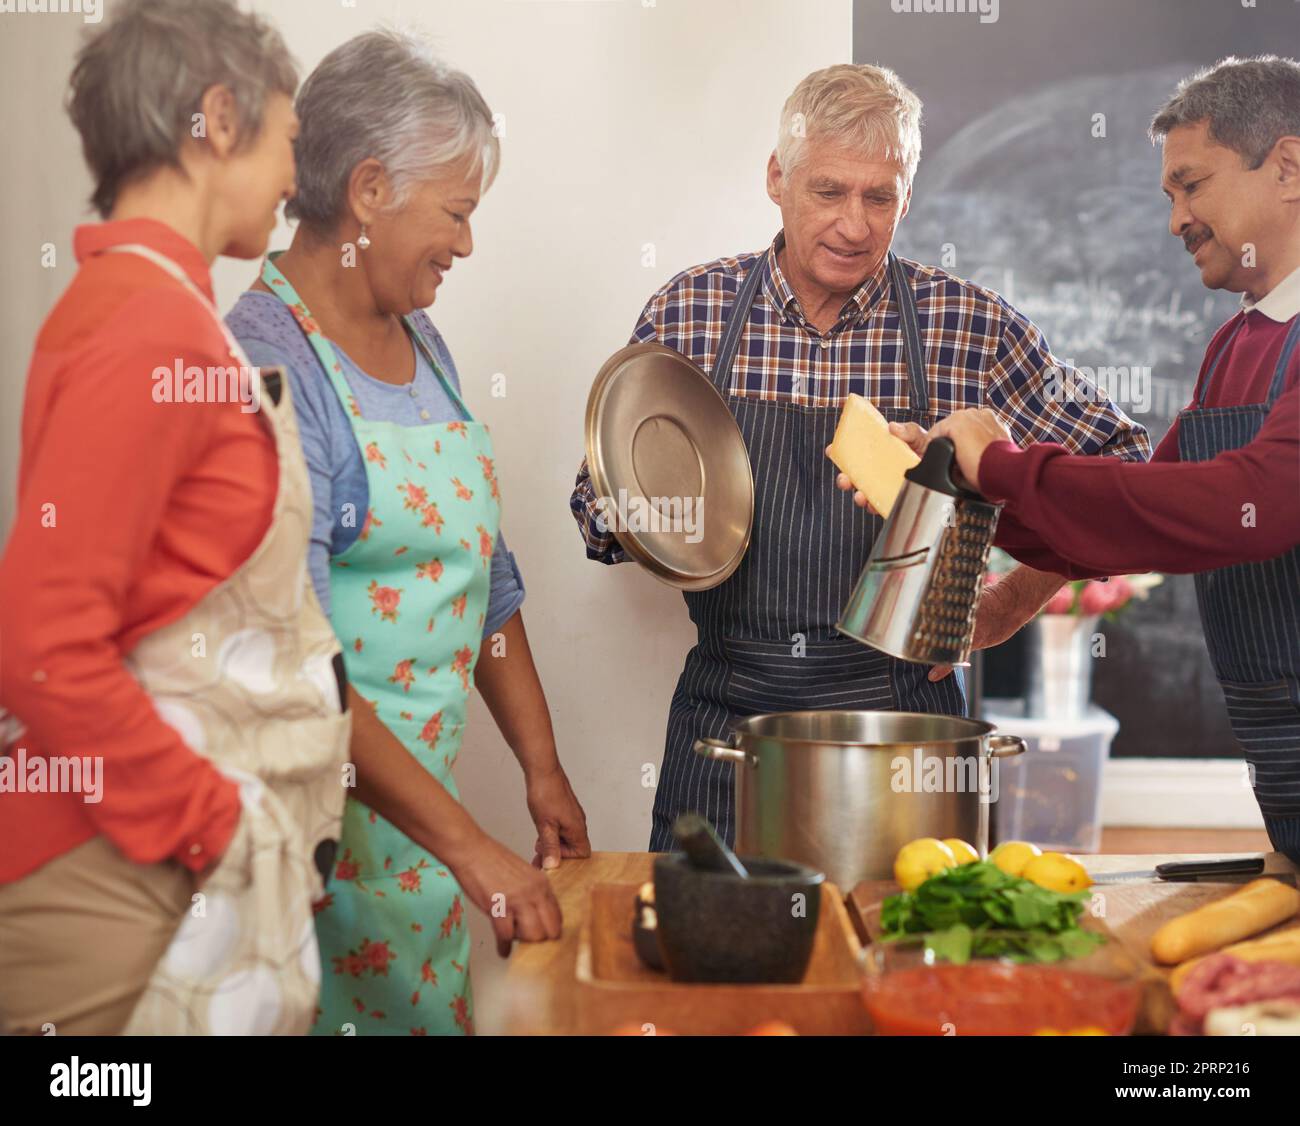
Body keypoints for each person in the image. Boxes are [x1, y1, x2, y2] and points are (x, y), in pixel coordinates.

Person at [569, 63, 1150, 850]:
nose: (853, 225)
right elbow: (597, 517)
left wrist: (1006, 607)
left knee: (908, 961)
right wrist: (650, 510)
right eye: (829, 191)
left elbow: (1123, 471)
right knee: (708, 962)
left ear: (908, 196)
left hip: (908, 729)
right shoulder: (693, 312)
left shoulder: (967, 326)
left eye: (880, 197)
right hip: (732, 720)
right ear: (778, 177)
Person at [227, 30, 589, 1036]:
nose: (467, 245)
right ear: (371, 188)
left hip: (419, 851)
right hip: (316, 848)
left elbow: (487, 581)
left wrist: (541, 764)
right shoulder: (267, 373)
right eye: (459, 211)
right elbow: (293, 666)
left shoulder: (422, 340)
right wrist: (473, 848)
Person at [0, 0, 347, 1035]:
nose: (296, 179)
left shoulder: (151, 306)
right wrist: (211, 821)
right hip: (113, 878)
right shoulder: (151, 330)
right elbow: (40, 638)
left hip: (139, 864)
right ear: (218, 122)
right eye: (290, 139)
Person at [859, 57, 1299, 863]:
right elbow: (1133, 521)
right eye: (1170, 196)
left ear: (1288, 168)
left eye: (1192, 185)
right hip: (1278, 751)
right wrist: (955, 476)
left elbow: (1262, 500)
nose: (1176, 220)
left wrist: (1002, 467)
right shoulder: (1236, 344)